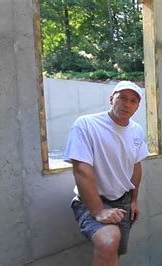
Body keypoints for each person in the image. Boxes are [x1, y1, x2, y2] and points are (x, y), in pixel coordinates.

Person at [64, 81, 149, 265]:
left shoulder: (136, 130)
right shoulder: (86, 124)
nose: (127, 104)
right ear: (111, 99)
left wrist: (134, 200)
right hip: (92, 200)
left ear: (137, 107)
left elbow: (135, 166)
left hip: (123, 200)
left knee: (114, 252)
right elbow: (81, 169)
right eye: (122, 98)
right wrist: (98, 210)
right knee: (108, 241)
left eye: (133, 101)